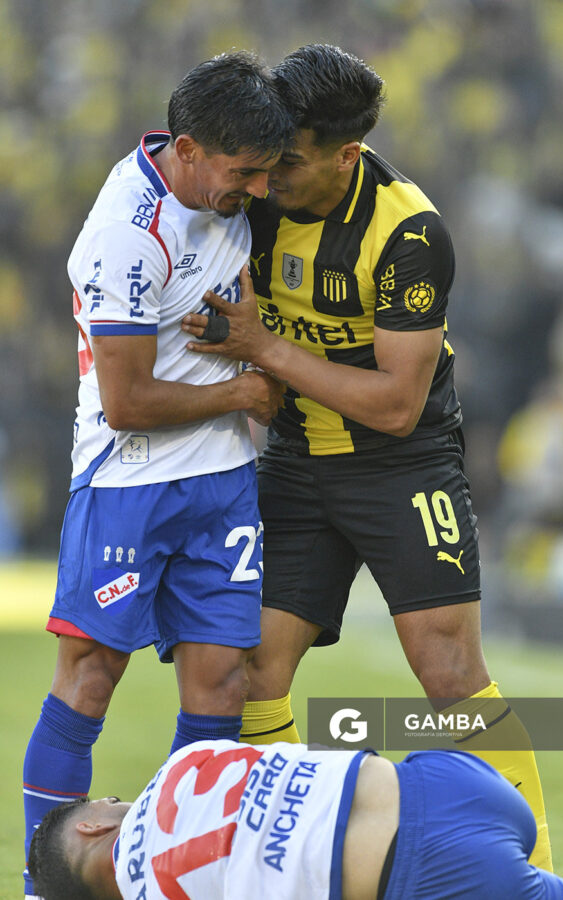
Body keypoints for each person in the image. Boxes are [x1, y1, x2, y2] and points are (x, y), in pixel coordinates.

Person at [181, 44, 552, 870]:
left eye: (290, 163)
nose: (270, 180)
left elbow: (395, 405)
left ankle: (532, 869)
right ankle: (264, 866)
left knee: (448, 669)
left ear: (347, 155)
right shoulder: (253, 199)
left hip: (403, 465)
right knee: (251, 669)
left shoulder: (409, 232)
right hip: (296, 463)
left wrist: (264, 349)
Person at [22, 51, 292, 898]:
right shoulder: (126, 235)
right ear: (187, 147)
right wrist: (248, 387)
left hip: (223, 484)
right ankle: (46, 878)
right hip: (128, 484)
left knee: (222, 684)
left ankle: (186, 878)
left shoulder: (230, 192)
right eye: (241, 172)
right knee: (92, 679)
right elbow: (128, 399)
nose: (250, 189)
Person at [28, 741, 563, 900]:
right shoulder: (180, 765)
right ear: (92, 826)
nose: (114, 800)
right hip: (457, 779)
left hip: (430, 874)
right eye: (104, 801)